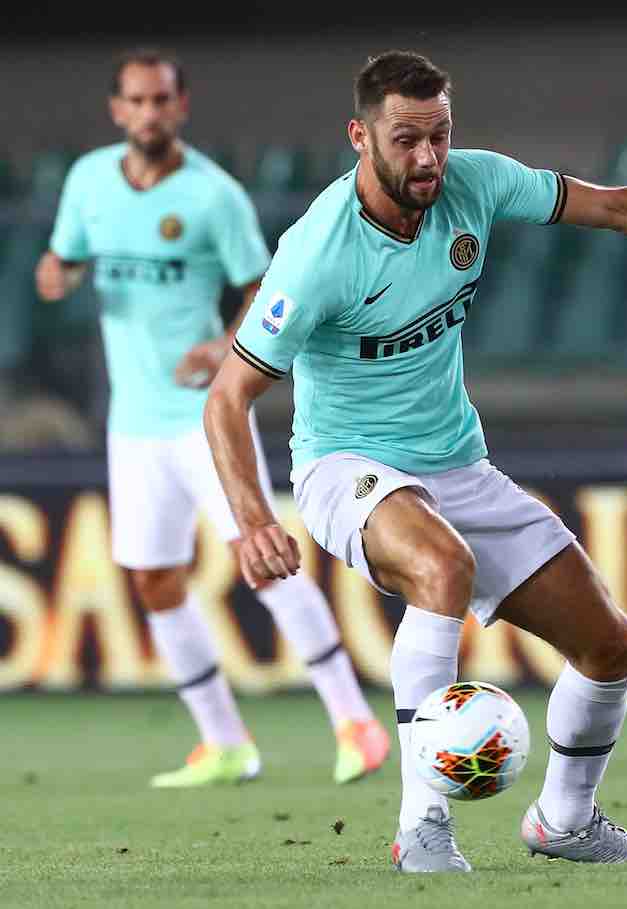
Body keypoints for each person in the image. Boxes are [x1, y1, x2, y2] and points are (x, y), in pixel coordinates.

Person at [202, 49, 627, 873]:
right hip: (343, 466)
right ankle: (421, 826)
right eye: (405, 141)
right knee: (441, 564)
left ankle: (565, 820)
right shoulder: (319, 251)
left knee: (610, 645)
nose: (427, 158)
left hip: (456, 464)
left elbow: (616, 208)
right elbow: (227, 396)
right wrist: (252, 521)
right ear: (359, 136)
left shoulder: (477, 182)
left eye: (439, 136)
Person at [36, 49, 389, 788]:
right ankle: (225, 742)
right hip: (130, 426)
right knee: (153, 580)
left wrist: (226, 345)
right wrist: (56, 272)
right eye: (136, 100)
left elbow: (268, 289)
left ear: (181, 106)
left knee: (263, 555)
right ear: (117, 109)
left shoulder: (213, 196)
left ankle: (354, 721)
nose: (149, 113)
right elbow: (62, 259)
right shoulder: (88, 182)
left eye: (162, 100)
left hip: (205, 417)